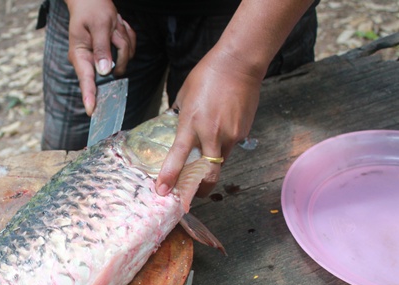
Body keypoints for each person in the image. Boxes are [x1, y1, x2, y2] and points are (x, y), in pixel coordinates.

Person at [38, 0, 319, 197]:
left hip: (251, 18)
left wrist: (240, 63)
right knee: (63, 168)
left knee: (235, 182)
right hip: (100, 12)